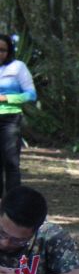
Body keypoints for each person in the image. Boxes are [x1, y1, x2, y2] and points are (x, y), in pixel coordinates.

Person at [0, 185, 79, 274]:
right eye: (2, 233)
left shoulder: (49, 236)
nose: (5, 243)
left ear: (35, 231)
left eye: (18, 241)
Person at [0, 33, 36, 194]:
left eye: (2, 50)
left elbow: (31, 94)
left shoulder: (18, 67)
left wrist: (6, 98)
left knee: (11, 163)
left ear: (9, 51)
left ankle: (13, 205)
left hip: (9, 120)